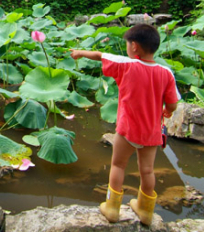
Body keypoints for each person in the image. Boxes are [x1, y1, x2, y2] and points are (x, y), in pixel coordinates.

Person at [70, 24, 179, 225]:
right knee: (147, 170)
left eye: (127, 44)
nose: (127, 48)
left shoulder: (126, 65)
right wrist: (168, 112)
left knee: (118, 165)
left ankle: (112, 208)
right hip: (151, 133)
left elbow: (99, 55)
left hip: (127, 130)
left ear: (134, 46)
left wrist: (79, 52)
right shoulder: (166, 73)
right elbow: (172, 103)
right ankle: (146, 211)